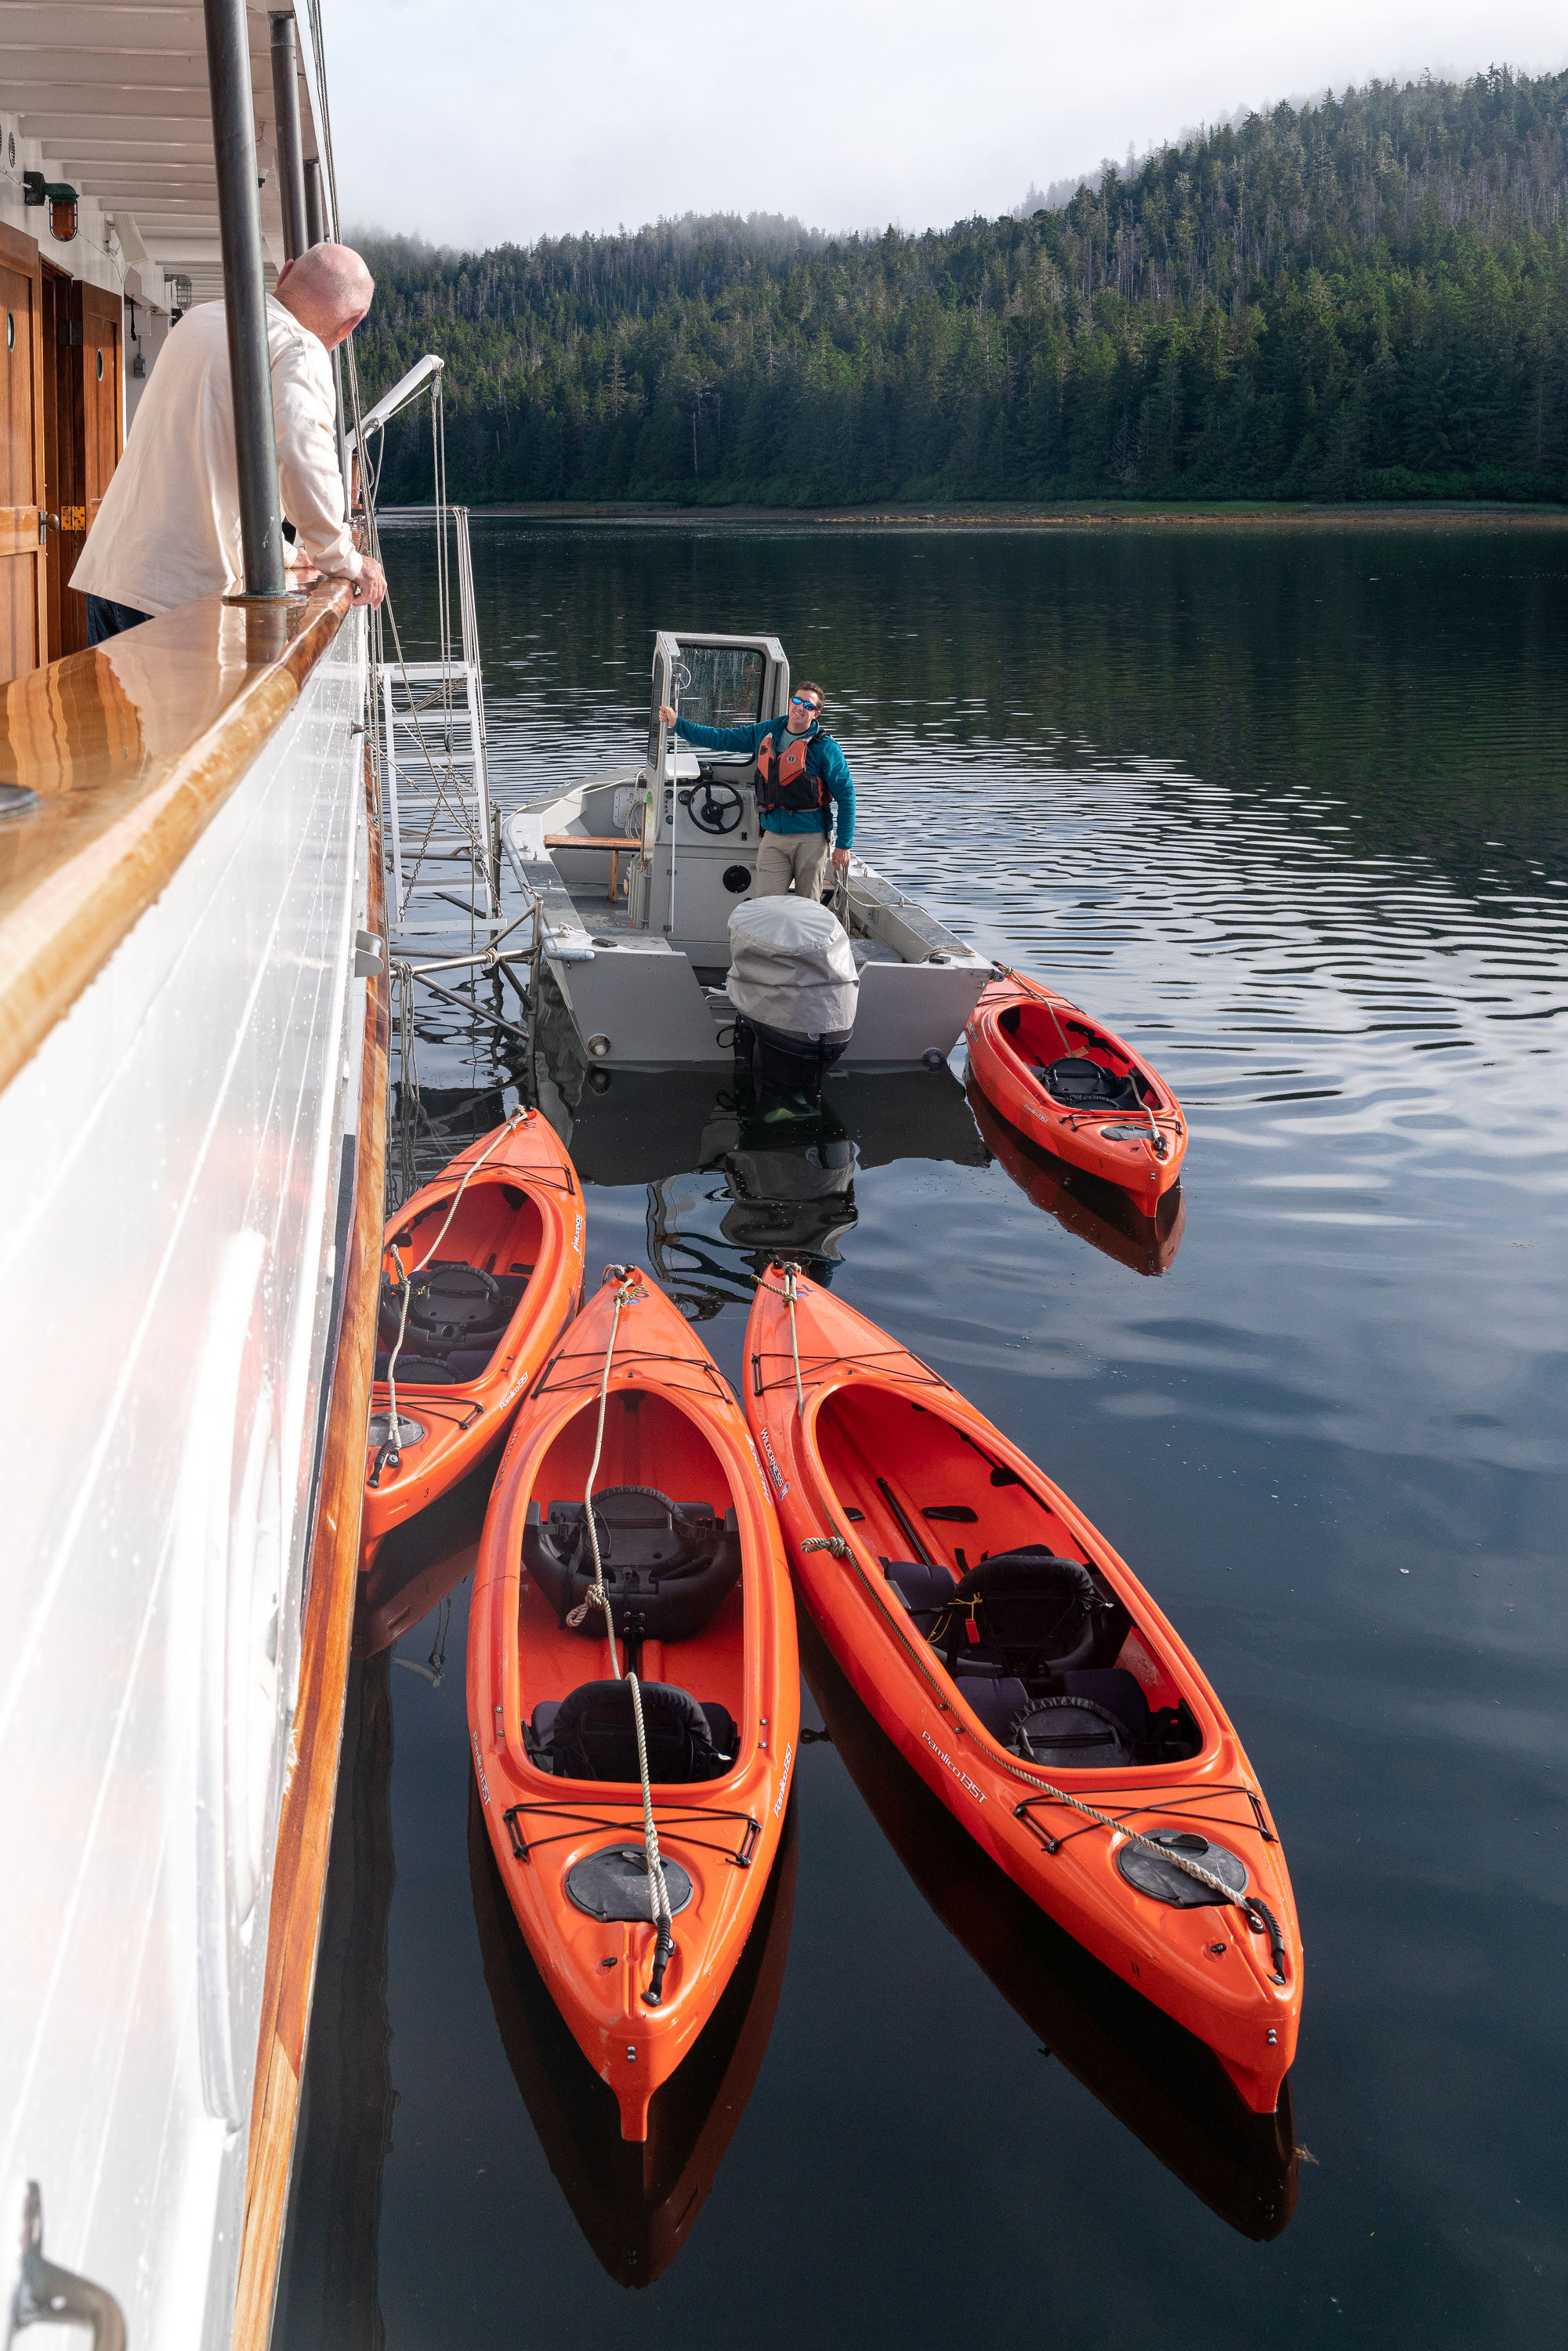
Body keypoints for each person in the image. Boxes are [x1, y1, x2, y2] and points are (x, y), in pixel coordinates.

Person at [71, 241, 386, 644]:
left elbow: (209, 455)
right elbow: (303, 459)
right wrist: (343, 559)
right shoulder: (298, 347)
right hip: (177, 596)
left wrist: (288, 555)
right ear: (351, 324)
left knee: (109, 711)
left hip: (111, 575)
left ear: (285, 273)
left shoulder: (202, 318)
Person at [657, 679, 853, 902]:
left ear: (816, 714)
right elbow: (721, 738)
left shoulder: (826, 747)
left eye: (808, 706)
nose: (800, 708)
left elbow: (846, 796)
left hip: (811, 838)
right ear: (791, 702)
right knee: (766, 904)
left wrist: (844, 845)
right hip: (773, 836)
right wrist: (678, 724)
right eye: (798, 701)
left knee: (808, 908)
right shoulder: (766, 731)